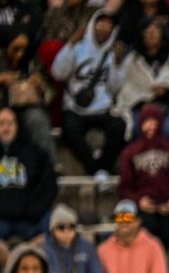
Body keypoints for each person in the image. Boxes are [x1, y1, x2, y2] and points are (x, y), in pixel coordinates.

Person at [0, 105, 58, 267]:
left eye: (10, 123)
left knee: (52, 227)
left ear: (18, 125)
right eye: (1, 123)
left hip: (28, 217)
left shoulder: (34, 151)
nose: (6, 128)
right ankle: (14, 265)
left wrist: (33, 209)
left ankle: (25, 259)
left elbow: (49, 184)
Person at [50, 10, 128, 178]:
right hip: (75, 108)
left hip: (102, 109)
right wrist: (70, 45)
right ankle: (96, 169)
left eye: (109, 25)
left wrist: (117, 64)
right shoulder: (77, 48)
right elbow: (58, 73)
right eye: (101, 23)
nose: (104, 29)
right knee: (69, 129)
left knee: (119, 126)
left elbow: (115, 88)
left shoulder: (113, 54)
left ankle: (102, 168)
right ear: (93, 25)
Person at [0, 30, 57, 165]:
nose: (20, 53)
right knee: (7, 121)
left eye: (23, 49)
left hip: (25, 107)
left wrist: (40, 85)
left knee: (38, 119)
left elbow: (50, 94)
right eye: (16, 49)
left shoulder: (32, 62)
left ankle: (49, 166)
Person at [118, 103, 169, 251]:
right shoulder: (129, 153)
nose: (151, 127)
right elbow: (124, 188)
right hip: (142, 208)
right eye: (147, 122)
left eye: (154, 122)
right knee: (139, 227)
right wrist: (139, 201)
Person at [113, 14, 169, 139]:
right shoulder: (133, 58)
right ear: (142, 35)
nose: (151, 34)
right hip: (140, 107)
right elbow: (124, 85)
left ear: (162, 34)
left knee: (168, 130)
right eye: (148, 31)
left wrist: (168, 90)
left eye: (155, 30)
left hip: (168, 107)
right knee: (136, 129)